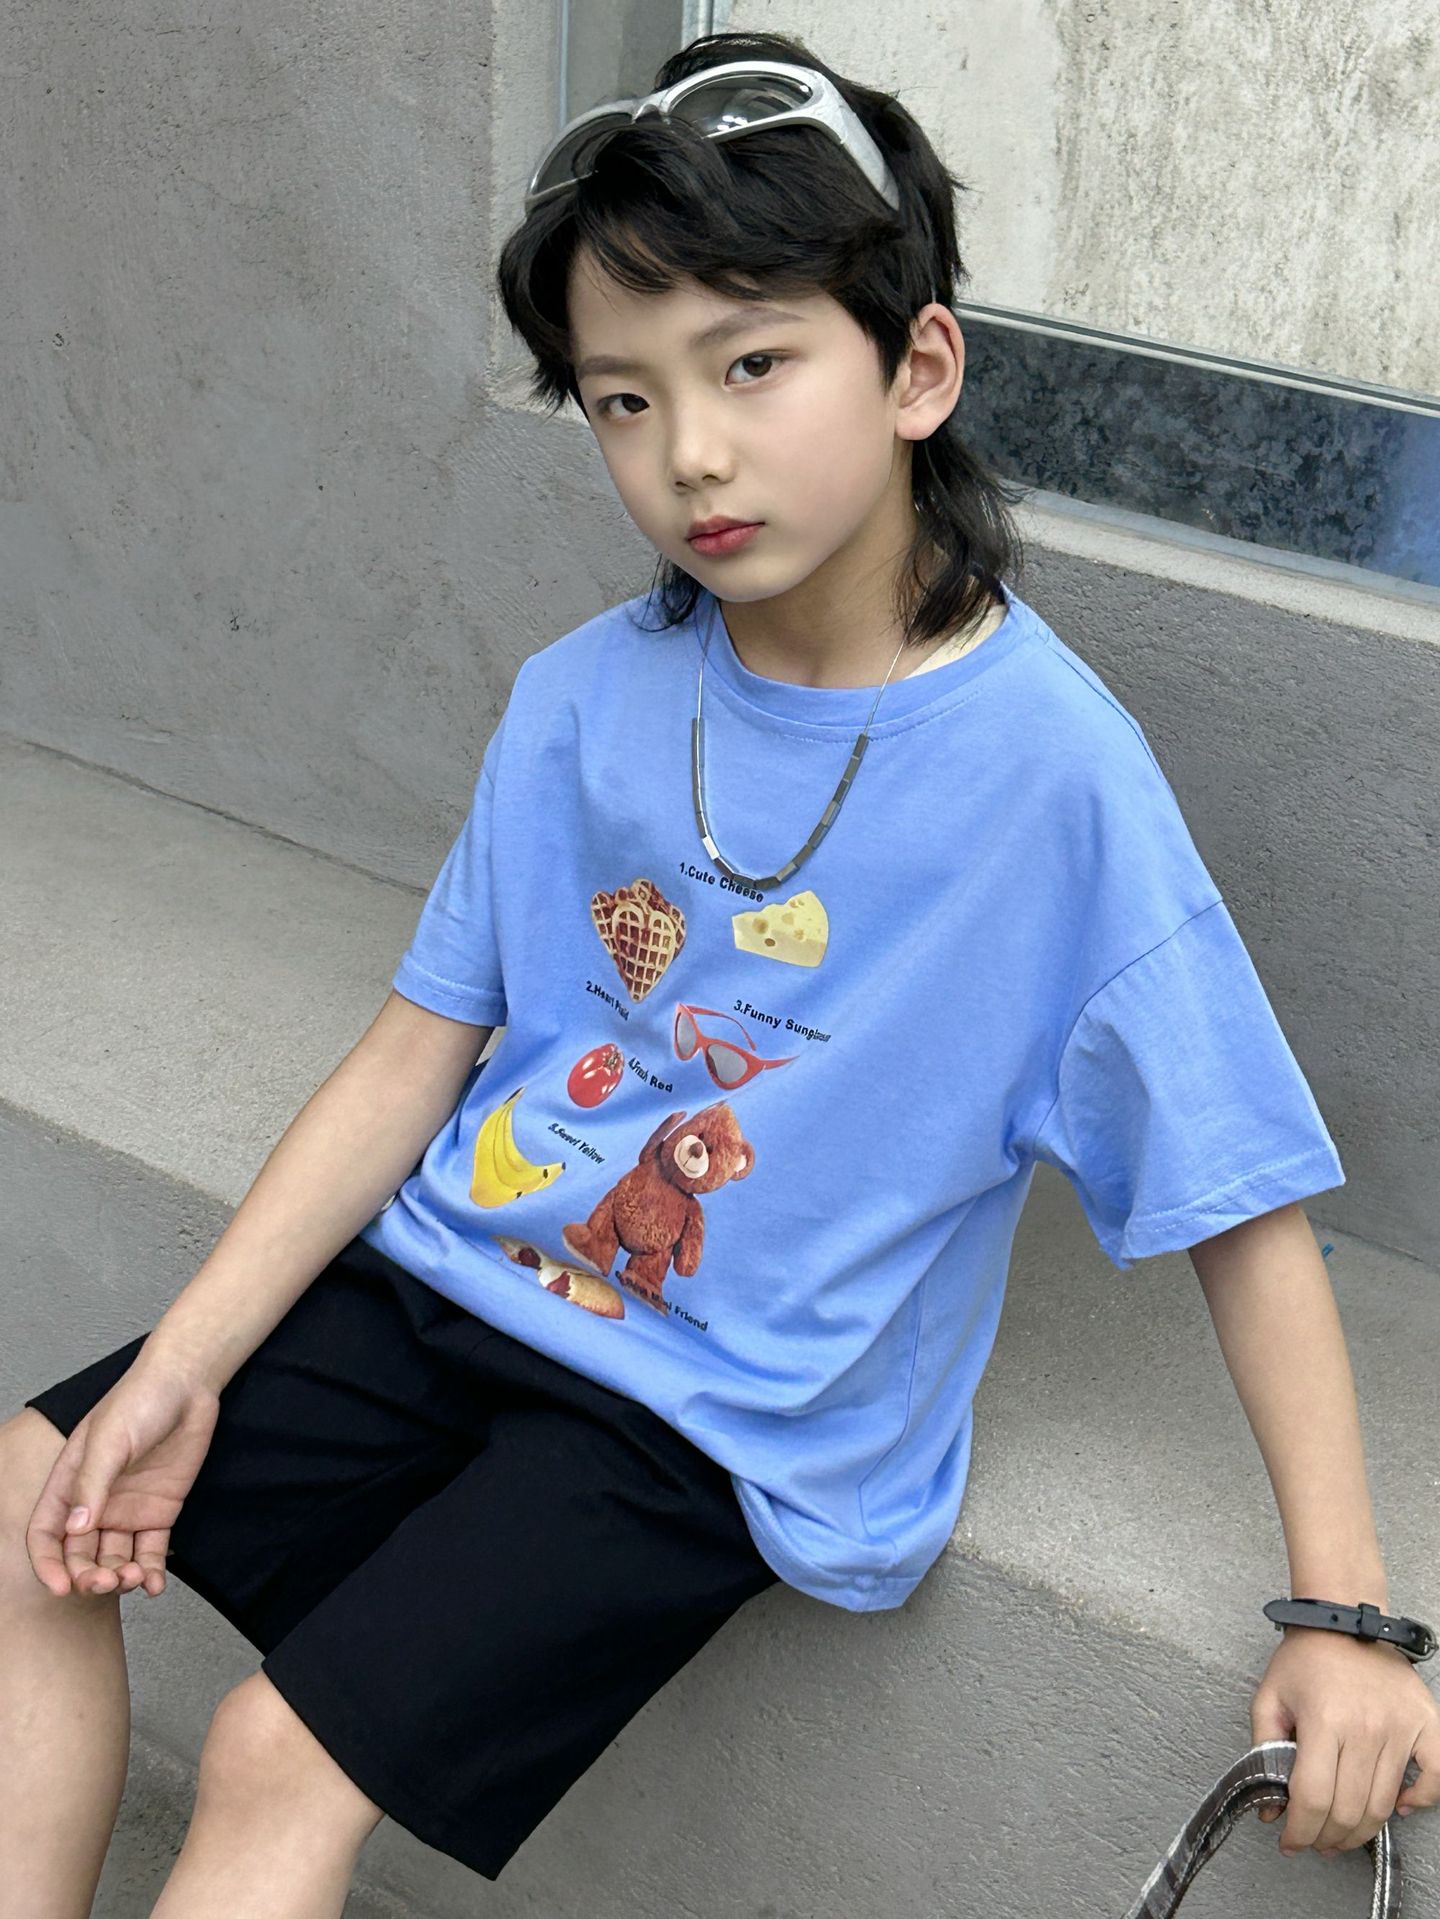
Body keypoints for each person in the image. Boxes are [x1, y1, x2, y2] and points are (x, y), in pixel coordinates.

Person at [3, 26, 1435, 1917]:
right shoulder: (583, 698)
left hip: (717, 1409)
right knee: (28, 1506)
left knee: (279, 1751)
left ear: (919, 366)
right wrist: (182, 1370)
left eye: (753, 364)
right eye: (623, 398)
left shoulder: (1053, 781)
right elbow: (419, 1047)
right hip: (457, 1278)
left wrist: (1348, 1615)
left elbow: (1236, 1197)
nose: (689, 451)